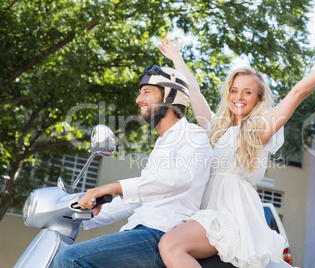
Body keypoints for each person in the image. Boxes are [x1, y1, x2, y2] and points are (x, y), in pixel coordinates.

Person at [157, 21, 315, 268]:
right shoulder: (215, 128)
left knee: (170, 245)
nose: (238, 97)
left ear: (258, 97)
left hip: (231, 217)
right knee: (168, 247)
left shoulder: (260, 129)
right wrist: (176, 58)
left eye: (247, 92)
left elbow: (299, 92)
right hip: (204, 211)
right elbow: (193, 91)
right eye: (234, 91)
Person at [52, 65, 213, 267]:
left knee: (69, 259)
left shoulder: (193, 135)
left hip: (159, 234)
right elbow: (136, 200)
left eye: (147, 92)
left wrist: (116, 186)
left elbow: (181, 179)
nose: (138, 100)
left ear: (170, 96)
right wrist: (79, 215)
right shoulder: (163, 143)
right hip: (140, 232)